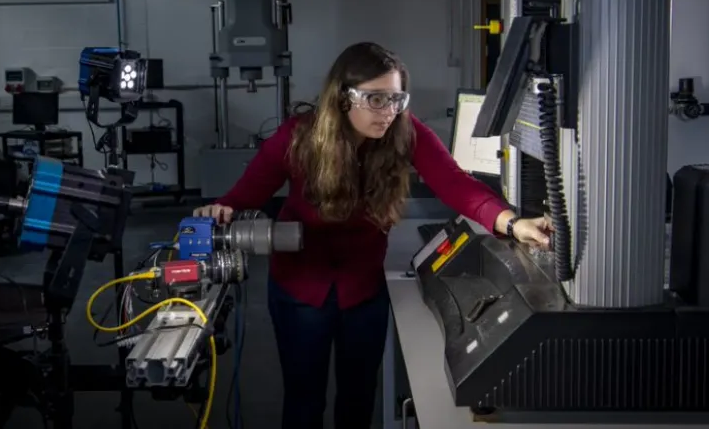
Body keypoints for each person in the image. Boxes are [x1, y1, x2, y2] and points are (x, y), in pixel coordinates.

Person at [194, 42, 552, 429]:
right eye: (375, 99)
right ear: (343, 98)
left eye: (396, 99)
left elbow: (454, 184)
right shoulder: (298, 137)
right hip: (300, 290)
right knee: (304, 401)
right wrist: (220, 210)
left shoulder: (404, 130)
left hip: (362, 293)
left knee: (358, 400)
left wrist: (513, 223)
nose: (388, 111)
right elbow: (245, 194)